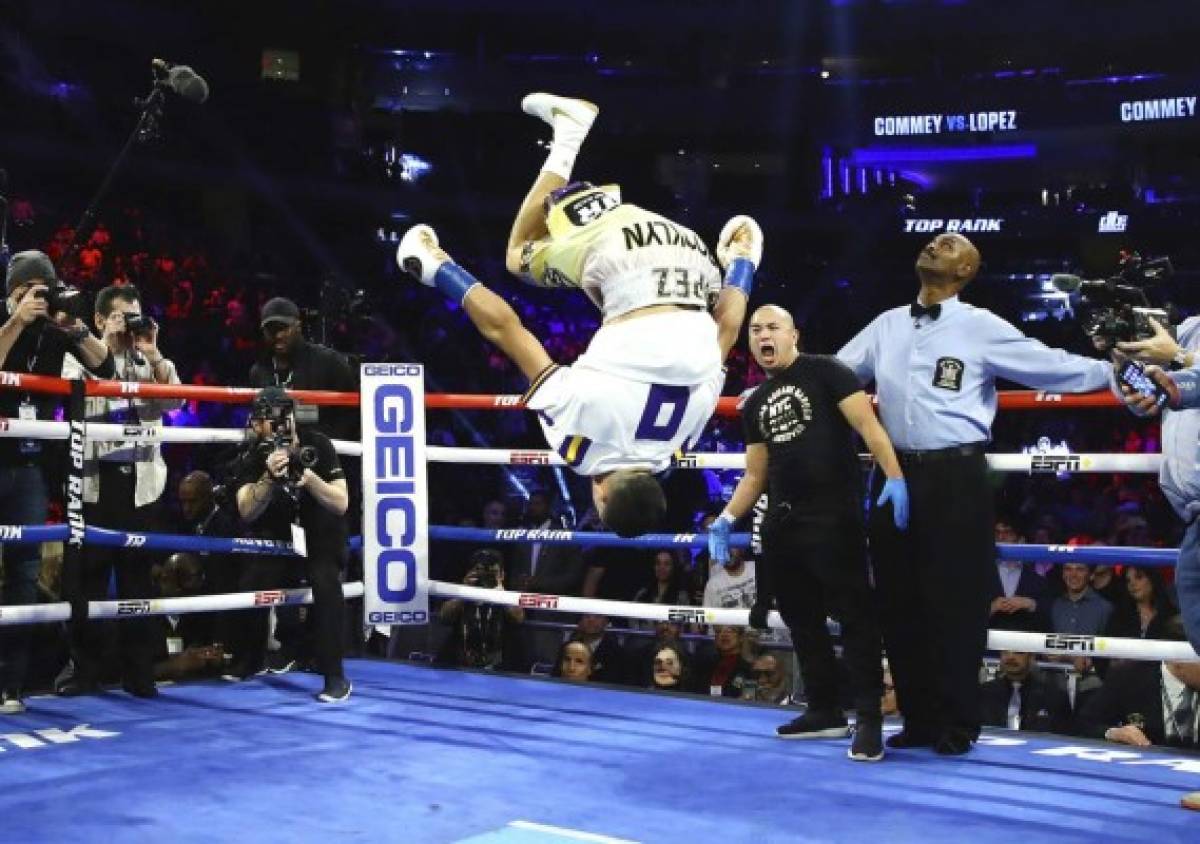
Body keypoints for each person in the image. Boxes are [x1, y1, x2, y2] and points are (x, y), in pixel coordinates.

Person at [397, 93, 759, 537]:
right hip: (626, 261)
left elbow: (726, 330)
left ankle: (743, 251)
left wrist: (742, 263)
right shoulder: (581, 442)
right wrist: (439, 271)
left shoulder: (685, 436)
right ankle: (569, 132)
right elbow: (509, 331)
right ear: (602, 495)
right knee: (518, 255)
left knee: (616, 307)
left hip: (694, 259)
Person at [837, 232, 1113, 755]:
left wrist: (1118, 374)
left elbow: (1051, 364)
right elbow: (835, 375)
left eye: (951, 244)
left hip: (956, 477)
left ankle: (958, 723)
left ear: (967, 271)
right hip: (892, 474)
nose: (937, 244)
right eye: (935, 241)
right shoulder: (886, 325)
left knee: (956, 605)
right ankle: (917, 719)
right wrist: (783, 377)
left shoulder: (980, 327)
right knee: (898, 602)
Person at [709, 304, 908, 762]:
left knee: (855, 617)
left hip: (833, 515)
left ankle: (870, 719)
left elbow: (869, 428)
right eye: (755, 329)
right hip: (783, 520)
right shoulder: (755, 401)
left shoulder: (826, 372)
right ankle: (823, 709)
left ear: (793, 333)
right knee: (801, 620)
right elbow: (755, 474)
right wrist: (726, 518)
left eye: (772, 327)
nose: (762, 335)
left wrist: (895, 478)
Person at [0, 251, 115, 713]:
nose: (38, 299)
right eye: (30, 290)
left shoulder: (54, 329)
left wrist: (78, 330)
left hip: (28, 467)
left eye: (43, 290)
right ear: (12, 291)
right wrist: (14, 321)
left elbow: (104, 368)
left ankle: (11, 684)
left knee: (26, 573)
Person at [58, 283, 184, 699]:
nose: (130, 324)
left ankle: (139, 672)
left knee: (138, 583)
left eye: (136, 315)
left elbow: (175, 403)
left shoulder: (147, 356)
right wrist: (106, 352)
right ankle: (85, 671)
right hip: (95, 479)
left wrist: (153, 353)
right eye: (121, 316)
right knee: (88, 581)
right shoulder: (77, 353)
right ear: (99, 318)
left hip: (141, 481)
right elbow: (69, 395)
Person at [1113, 319, 1200, 810]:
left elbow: (1182, 374)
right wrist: (1122, 358)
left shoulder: (1183, 344)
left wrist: (1179, 362)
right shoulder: (1188, 328)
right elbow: (1150, 394)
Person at [229, 387, 351, 702]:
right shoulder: (253, 453)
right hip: (281, 539)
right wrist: (269, 479)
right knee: (252, 577)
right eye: (256, 421)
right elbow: (245, 509)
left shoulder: (318, 444)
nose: (256, 426)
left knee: (326, 583)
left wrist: (310, 480)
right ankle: (251, 658)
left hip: (321, 536)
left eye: (262, 420)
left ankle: (335, 675)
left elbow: (341, 502)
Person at [979, 650, 1071, 735]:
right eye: (1005, 652)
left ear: (1031, 657)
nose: (1010, 657)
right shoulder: (983, 693)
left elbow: (1065, 738)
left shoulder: (1055, 696)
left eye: (1018, 652)